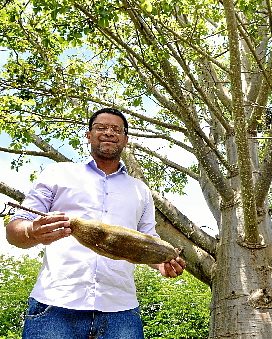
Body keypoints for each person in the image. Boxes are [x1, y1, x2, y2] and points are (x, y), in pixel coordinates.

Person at [6, 107, 186, 339]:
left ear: (125, 140)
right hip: (55, 307)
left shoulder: (140, 190)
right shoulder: (58, 173)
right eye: (101, 127)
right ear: (88, 135)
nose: (109, 133)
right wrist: (31, 231)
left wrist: (160, 262)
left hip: (121, 312)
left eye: (116, 129)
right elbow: (15, 230)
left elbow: (148, 240)